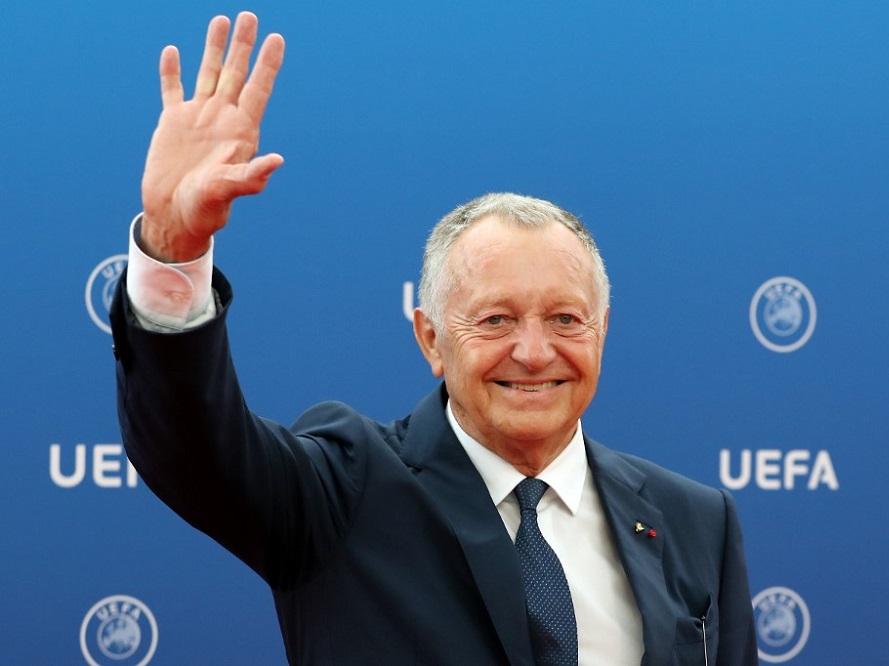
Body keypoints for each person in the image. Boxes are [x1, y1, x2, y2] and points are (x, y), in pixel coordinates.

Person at [111, 11, 758, 665]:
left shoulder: (694, 520)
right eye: (496, 320)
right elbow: (192, 448)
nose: (534, 353)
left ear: (604, 330)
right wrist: (174, 249)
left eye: (565, 319)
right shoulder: (344, 491)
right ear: (430, 339)